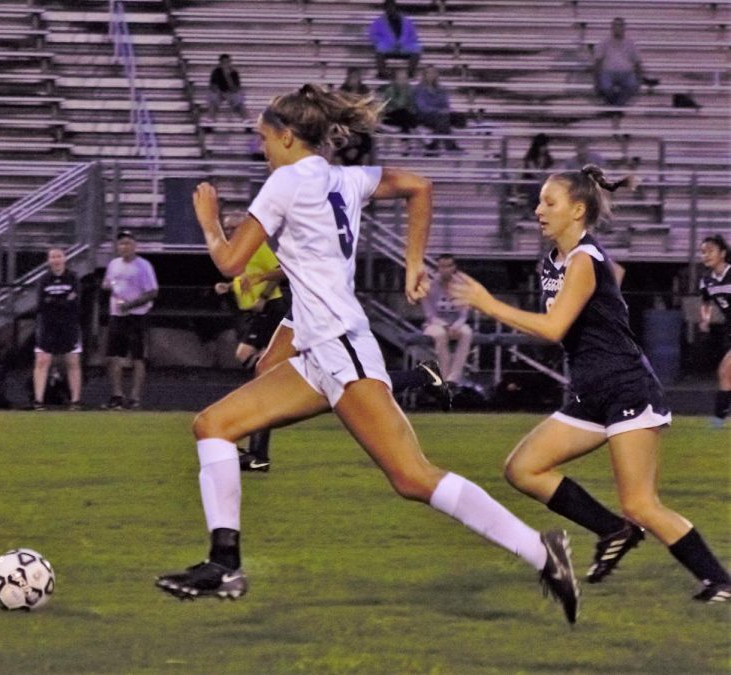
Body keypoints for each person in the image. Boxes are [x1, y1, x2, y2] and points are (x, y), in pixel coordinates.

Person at [155, 84, 580, 625]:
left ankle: (542, 554)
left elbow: (231, 263)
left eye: (264, 138)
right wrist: (412, 263)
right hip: (318, 352)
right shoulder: (342, 178)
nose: (261, 148)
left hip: (340, 350)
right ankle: (224, 564)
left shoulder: (285, 181)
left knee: (413, 477)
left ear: (287, 136)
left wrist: (210, 220)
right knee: (213, 425)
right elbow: (419, 186)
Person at [451, 165, 730, 603]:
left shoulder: (583, 259)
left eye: (549, 202)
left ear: (577, 210)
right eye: (540, 201)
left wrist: (488, 304)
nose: (538, 209)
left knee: (641, 503)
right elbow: (599, 288)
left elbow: (554, 327)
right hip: (590, 393)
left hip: (626, 390)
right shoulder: (554, 261)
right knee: (523, 469)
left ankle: (720, 581)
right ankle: (612, 531)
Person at [214, 212, 288, 472]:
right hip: (255, 313)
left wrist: (264, 297)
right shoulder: (240, 252)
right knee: (258, 374)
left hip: (270, 308)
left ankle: (272, 376)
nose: (229, 233)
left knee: (246, 355)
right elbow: (247, 278)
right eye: (226, 229)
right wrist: (228, 288)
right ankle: (258, 454)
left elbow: (279, 271)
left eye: (232, 228)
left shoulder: (256, 246)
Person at [102, 230, 158, 410]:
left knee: (137, 356)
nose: (124, 247)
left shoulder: (143, 266)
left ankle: (134, 397)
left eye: (128, 243)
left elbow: (152, 292)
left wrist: (131, 305)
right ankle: (117, 394)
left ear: (134, 246)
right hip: (117, 315)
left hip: (137, 316)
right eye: (121, 244)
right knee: (114, 356)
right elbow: (108, 283)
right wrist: (109, 288)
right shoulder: (113, 264)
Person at [32, 248, 83, 411]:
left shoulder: (73, 277)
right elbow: (41, 303)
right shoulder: (44, 279)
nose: (56, 260)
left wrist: (54, 301)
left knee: (72, 361)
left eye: (59, 256)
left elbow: (74, 301)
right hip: (48, 325)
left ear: (65, 258)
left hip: (69, 325)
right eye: (53, 257)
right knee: (42, 361)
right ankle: (38, 400)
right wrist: (62, 301)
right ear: (48, 260)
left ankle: (75, 400)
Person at [421, 255, 472, 385]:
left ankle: (453, 378)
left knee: (467, 332)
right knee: (440, 334)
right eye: (442, 266)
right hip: (434, 324)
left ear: (454, 267)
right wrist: (445, 325)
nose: (445, 270)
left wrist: (455, 326)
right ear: (438, 268)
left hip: (456, 323)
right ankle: (444, 376)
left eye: (448, 266)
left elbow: (464, 312)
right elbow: (429, 313)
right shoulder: (429, 285)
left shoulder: (462, 285)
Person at [697, 234, 731, 429]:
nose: (706, 255)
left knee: (725, 370)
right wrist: (705, 320)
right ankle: (719, 418)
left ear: (723, 253)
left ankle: (719, 418)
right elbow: (706, 303)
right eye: (703, 252)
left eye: (710, 251)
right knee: (726, 373)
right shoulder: (707, 281)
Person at [593, 18, 648, 107]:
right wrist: (596, 81)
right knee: (605, 87)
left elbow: (637, 62)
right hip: (608, 72)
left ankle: (615, 107)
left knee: (632, 85)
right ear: (612, 28)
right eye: (615, 25)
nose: (618, 28)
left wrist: (639, 79)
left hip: (627, 73)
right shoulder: (604, 42)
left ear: (624, 28)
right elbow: (597, 62)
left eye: (620, 25)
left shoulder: (630, 43)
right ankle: (617, 107)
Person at [368, 0, 421, 79]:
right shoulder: (378, 22)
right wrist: (386, 42)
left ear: (396, 8)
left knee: (417, 48)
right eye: (388, 8)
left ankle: (410, 73)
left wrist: (403, 43)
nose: (390, 9)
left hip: (403, 47)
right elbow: (373, 35)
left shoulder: (406, 21)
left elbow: (413, 35)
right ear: (385, 9)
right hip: (388, 47)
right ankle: (383, 73)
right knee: (379, 48)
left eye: (392, 7)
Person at [413, 66, 461, 153]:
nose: (431, 75)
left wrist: (445, 111)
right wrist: (438, 110)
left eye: (434, 73)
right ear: (424, 75)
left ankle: (433, 147)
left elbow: (446, 104)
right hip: (424, 116)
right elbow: (422, 107)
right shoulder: (418, 89)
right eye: (429, 73)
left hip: (440, 117)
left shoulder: (442, 89)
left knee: (443, 119)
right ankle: (450, 146)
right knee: (443, 119)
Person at [337, 68, 373, 165]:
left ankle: (364, 176)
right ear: (347, 78)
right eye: (352, 77)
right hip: (346, 127)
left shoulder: (365, 90)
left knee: (366, 148)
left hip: (361, 127)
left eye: (356, 77)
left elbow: (369, 109)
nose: (354, 79)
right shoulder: (341, 91)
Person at [519, 133, 554, 217]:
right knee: (536, 187)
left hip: (542, 183)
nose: (544, 148)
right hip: (530, 183)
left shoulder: (547, 157)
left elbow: (550, 171)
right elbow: (534, 172)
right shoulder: (530, 157)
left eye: (545, 146)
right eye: (543, 146)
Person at [206, 54, 247, 124]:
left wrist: (227, 76)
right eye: (224, 62)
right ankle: (211, 118)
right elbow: (212, 86)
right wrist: (220, 92)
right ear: (220, 63)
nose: (226, 64)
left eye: (228, 62)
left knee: (238, 97)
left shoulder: (234, 73)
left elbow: (236, 89)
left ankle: (245, 118)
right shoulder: (216, 72)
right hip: (219, 93)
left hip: (231, 93)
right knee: (213, 97)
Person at [378, 69, 416, 134]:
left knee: (406, 115)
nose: (403, 81)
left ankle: (406, 130)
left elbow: (412, 107)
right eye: (400, 79)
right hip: (391, 116)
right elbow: (399, 105)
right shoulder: (390, 90)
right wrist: (404, 92)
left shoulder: (410, 89)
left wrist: (410, 109)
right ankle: (415, 128)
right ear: (395, 80)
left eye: (405, 78)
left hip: (405, 117)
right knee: (403, 112)